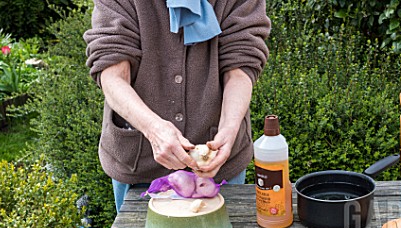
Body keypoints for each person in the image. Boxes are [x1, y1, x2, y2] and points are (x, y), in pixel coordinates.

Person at [83, 0, 271, 213]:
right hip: (139, 164)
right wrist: (154, 129)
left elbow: (240, 66)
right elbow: (113, 74)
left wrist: (229, 128)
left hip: (219, 166)